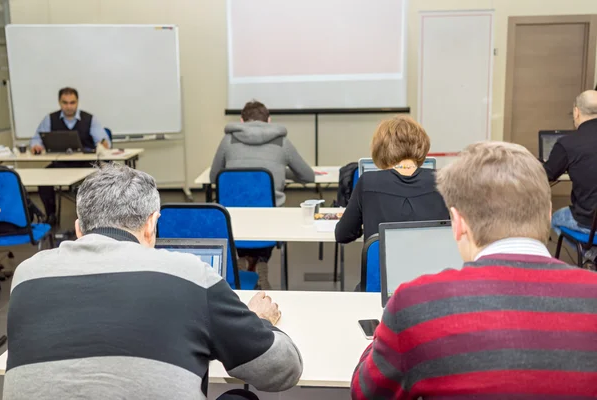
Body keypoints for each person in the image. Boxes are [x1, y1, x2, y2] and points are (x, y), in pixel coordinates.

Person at [4, 164, 302, 400]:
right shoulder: (190, 275)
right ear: (151, 224)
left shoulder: (28, 274)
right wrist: (260, 321)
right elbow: (281, 370)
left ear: (79, 229)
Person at [351, 141, 597, 399]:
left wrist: (387, 336)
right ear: (548, 214)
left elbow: (365, 393)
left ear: (457, 223)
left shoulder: (414, 305)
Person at [210, 100, 315, 289]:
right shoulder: (282, 141)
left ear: (242, 121)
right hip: (270, 220)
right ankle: (261, 263)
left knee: (241, 211)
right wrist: (279, 170)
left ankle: (245, 263)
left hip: (234, 220)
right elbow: (308, 176)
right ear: (269, 120)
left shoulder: (228, 140)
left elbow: (214, 176)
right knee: (268, 212)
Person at [335, 116, 449, 244]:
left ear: (379, 148)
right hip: (433, 263)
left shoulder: (368, 182)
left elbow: (343, 235)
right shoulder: (444, 180)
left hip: (383, 264)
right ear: (422, 145)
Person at [30, 87, 111, 225]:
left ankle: (94, 218)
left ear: (77, 102)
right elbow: (36, 139)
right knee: (43, 179)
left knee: (98, 178)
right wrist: (36, 146)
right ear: (59, 102)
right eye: (65, 103)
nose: (69, 106)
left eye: (72, 102)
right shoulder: (50, 119)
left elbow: (105, 142)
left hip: (86, 165)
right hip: (60, 164)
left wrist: (103, 143)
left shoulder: (89, 119)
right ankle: (51, 215)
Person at [544, 90, 597, 262]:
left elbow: (548, 174)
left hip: (588, 223)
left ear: (577, 111)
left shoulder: (568, 143)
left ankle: (589, 254)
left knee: (554, 219)